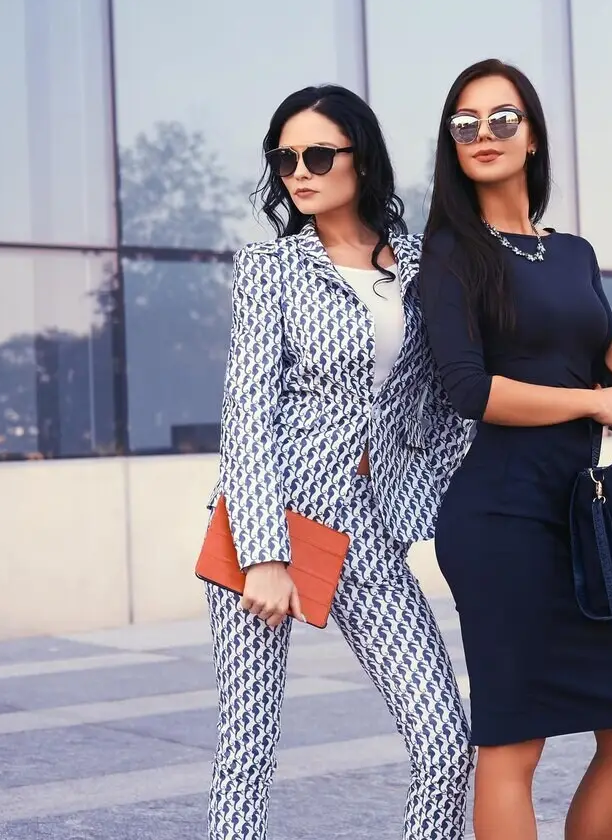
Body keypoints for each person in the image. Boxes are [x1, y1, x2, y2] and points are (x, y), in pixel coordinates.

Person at [419, 59, 612, 840]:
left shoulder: (571, 252)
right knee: (515, 742)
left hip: (577, 519)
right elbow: (467, 391)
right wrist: (587, 404)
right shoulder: (451, 252)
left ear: (533, 136)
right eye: (465, 123)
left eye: (501, 119)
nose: (483, 135)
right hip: (498, 518)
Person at [209, 84, 473, 840]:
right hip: (270, 519)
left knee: (445, 745)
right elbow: (247, 414)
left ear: (362, 159)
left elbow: (448, 403)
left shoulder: (424, 267)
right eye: (285, 157)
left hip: (372, 529)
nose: (300, 170)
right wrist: (263, 553)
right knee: (247, 754)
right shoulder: (271, 268)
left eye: (318, 154)